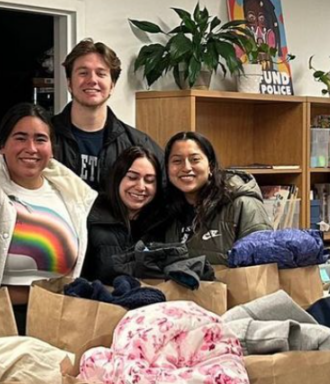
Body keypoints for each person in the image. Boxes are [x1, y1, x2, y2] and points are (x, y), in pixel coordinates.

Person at [0, 103, 96, 324]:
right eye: (21, 138)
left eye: (41, 139)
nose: (31, 148)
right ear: (2, 145)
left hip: (59, 322)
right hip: (0, 323)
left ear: (52, 148)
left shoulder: (72, 196)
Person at [51, 39, 163, 191]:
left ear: (112, 85)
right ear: (69, 83)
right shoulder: (45, 137)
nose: (92, 80)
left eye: (101, 74)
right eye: (83, 73)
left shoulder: (138, 143)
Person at [162, 131, 272, 266]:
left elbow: (264, 264)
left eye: (194, 159)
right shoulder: (165, 209)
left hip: (233, 286)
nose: (186, 167)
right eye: (177, 161)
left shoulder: (241, 203)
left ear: (211, 166)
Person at [82, 146, 167, 284]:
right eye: (132, 177)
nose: (141, 186)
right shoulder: (90, 217)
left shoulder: (164, 223)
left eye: (150, 180)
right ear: (118, 177)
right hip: (99, 302)